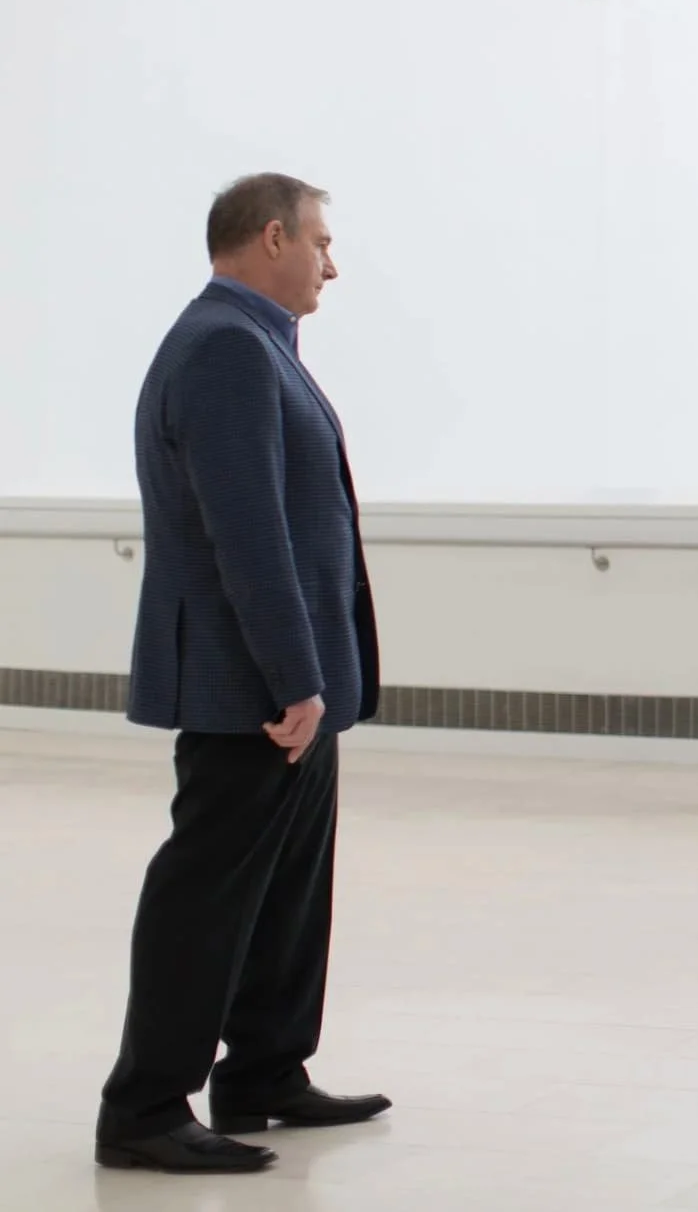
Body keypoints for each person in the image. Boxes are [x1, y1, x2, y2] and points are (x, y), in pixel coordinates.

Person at [95, 176, 390, 1175]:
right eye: (320, 241)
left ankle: (264, 1071)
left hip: (287, 683)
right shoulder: (225, 346)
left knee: (287, 890)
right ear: (272, 237)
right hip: (250, 686)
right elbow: (248, 533)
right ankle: (143, 1105)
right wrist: (294, 678)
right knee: (208, 892)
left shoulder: (254, 342)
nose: (330, 263)